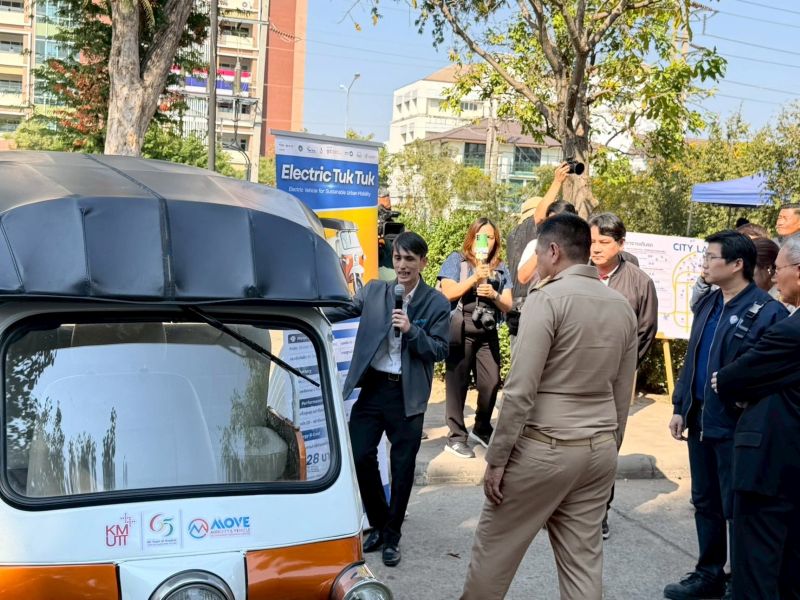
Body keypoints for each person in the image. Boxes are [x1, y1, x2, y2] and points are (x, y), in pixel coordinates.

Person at [460, 214, 638, 600]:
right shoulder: (621, 306)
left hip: (544, 448)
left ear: (553, 251)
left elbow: (520, 390)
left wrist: (497, 458)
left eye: (538, 254)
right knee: (582, 564)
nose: (536, 264)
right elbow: (623, 390)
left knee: (494, 555)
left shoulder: (547, 298)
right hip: (599, 450)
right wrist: (611, 444)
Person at [665, 231, 788, 600]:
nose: (704, 263)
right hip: (700, 419)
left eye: (710, 257)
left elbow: (770, 377)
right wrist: (680, 406)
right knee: (705, 502)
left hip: (738, 427)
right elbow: (693, 358)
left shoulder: (768, 312)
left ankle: (741, 579)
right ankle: (709, 573)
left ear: (737, 264)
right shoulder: (709, 303)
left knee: (738, 507)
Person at [325, 231, 450, 567]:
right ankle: (380, 523)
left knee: (402, 468)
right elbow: (344, 309)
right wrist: (307, 308)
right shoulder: (375, 291)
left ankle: (392, 536)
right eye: (397, 258)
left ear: (423, 262)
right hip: (375, 388)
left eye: (410, 259)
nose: (402, 265)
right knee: (360, 453)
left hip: (408, 394)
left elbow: (440, 350)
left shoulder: (436, 303)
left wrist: (412, 330)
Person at [711, 234, 800, 600]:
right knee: (789, 572)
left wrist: (732, 383)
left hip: (770, 466)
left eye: (778, 269)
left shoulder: (789, 330)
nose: (774, 277)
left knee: (756, 572)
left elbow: (729, 379)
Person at [588, 212, 658, 539]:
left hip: (616, 379)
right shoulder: (578, 274)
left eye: (604, 242)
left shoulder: (639, 282)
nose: (596, 248)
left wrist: (624, 367)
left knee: (606, 445)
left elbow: (646, 330)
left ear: (621, 244)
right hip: (575, 375)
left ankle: (599, 512)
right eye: (591, 241)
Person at [438, 217, 513, 459]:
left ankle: (481, 427)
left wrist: (494, 294)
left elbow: (508, 304)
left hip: (487, 332)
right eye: (481, 237)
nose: (486, 242)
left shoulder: (500, 267)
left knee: (491, 382)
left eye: (490, 237)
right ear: (472, 237)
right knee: (457, 385)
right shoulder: (457, 261)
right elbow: (447, 293)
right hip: (460, 330)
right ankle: (456, 437)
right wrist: (473, 278)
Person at [505, 164, 571, 346]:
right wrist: (557, 181)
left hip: (519, 307)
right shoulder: (527, 232)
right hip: (526, 307)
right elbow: (540, 216)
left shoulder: (515, 235)